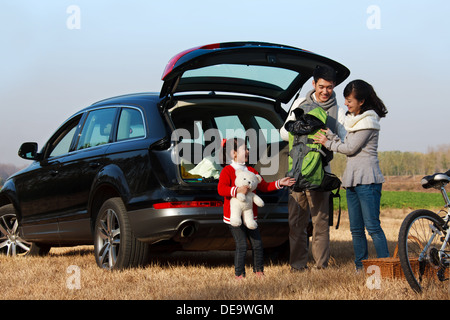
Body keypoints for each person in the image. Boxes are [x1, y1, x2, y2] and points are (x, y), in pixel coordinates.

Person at [314, 79, 389, 270]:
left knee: (373, 227)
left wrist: (327, 143)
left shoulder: (368, 121)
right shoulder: (353, 121)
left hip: (368, 180)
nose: (346, 104)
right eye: (346, 100)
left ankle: (385, 266)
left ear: (361, 101)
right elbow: (346, 142)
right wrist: (330, 135)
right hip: (353, 180)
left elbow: (350, 148)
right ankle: (360, 267)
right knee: (356, 229)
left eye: (349, 100)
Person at [280, 65, 346, 271]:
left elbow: (344, 141)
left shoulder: (339, 112)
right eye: (322, 86)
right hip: (297, 173)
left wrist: (328, 138)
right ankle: (298, 265)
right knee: (296, 223)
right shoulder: (300, 103)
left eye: (330, 87)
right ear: (314, 84)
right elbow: (283, 132)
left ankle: (321, 266)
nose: (325, 91)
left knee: (320, 222)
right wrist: (303, 132)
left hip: (321, 173)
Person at [217, 138, 295, 279]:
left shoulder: (252, 170)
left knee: (258, 244)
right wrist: (237, 190)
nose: (247, 151)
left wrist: (279, 183)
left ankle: (259, 271)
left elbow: (263, 186)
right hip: (234, 217)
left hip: (250, 216)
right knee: (241, 245)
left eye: (247, 149)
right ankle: (239, 274)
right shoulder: (227, 171)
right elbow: (221, 189)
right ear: (233, 153)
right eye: (244, 149)